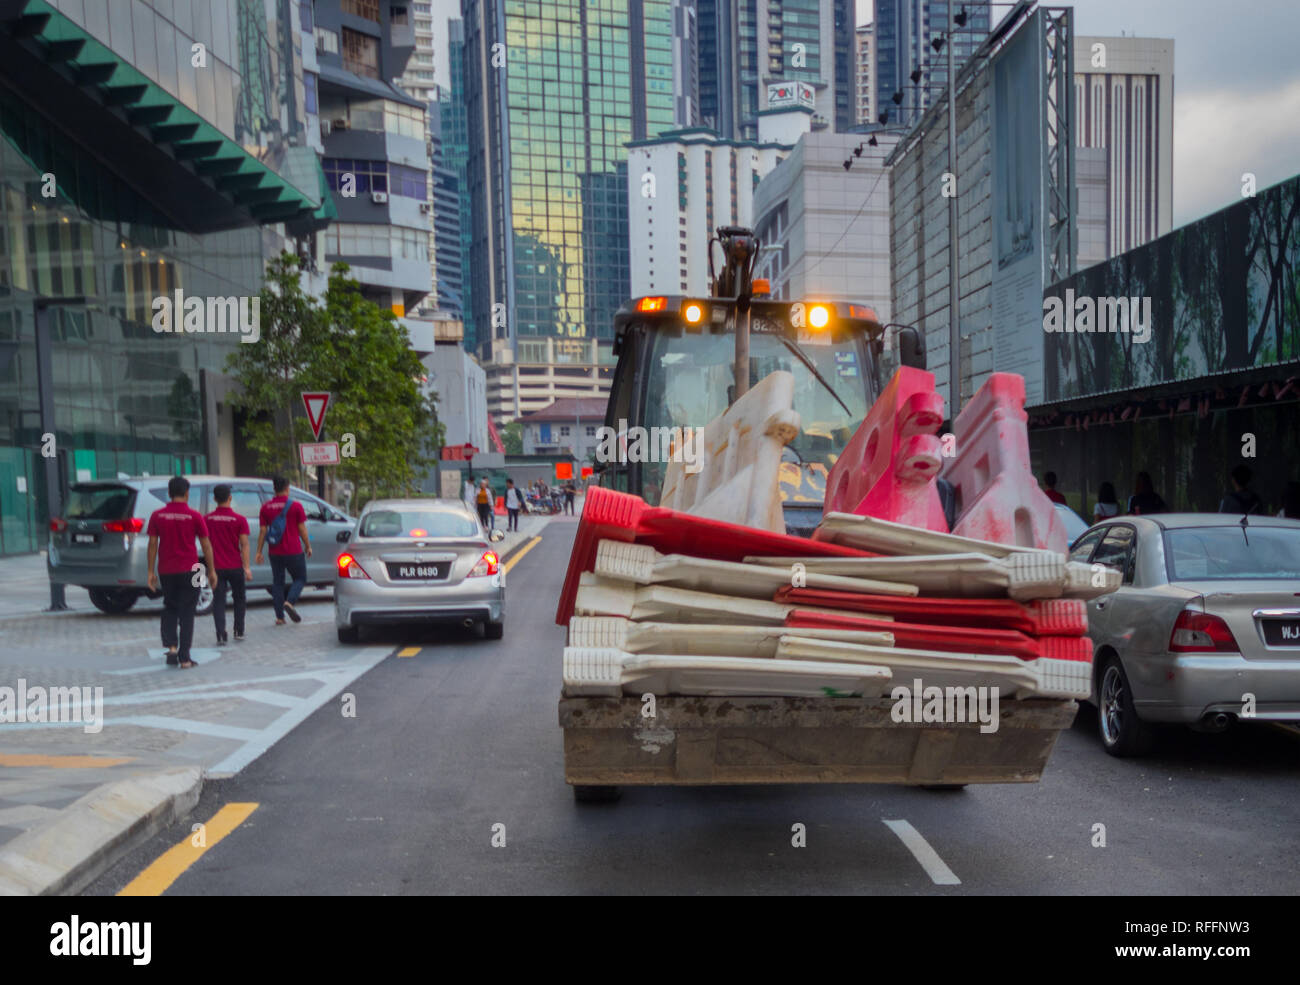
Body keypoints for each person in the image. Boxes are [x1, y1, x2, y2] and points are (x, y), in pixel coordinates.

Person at [145, 476, 215, 669]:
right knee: (188, 612)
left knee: (170, 607)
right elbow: (206, 546)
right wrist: (212, 571)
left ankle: (172, 648)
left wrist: (150, 571)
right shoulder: (195, 516)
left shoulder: (157, 515)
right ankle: (185, 658)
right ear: (187, 493)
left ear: (169, 494)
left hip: (166, 569)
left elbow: (152, 544)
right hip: (193, 568)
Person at [255, 476, 311, 626]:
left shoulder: (265, 507)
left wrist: (259, 551)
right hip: (294, 550)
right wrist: (308, 545)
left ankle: (280, 617)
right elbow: (302, 529)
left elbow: (262, 531)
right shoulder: (296, 506)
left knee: (278, 583)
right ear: (287, 488)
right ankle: (290, 602)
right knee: (300, 578)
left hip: (275, 551)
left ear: (274, 489)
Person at [206, 484, 252, 644]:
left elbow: (205, 543)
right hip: (235, 566)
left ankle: (220, 633)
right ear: (230, 498)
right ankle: (239, 630)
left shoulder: (207, 519)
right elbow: (244, 544)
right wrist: (246, 568)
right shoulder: (240, 520)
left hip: (216, 567)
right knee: (239, 598)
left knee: (218, 600)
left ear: (214, 499)